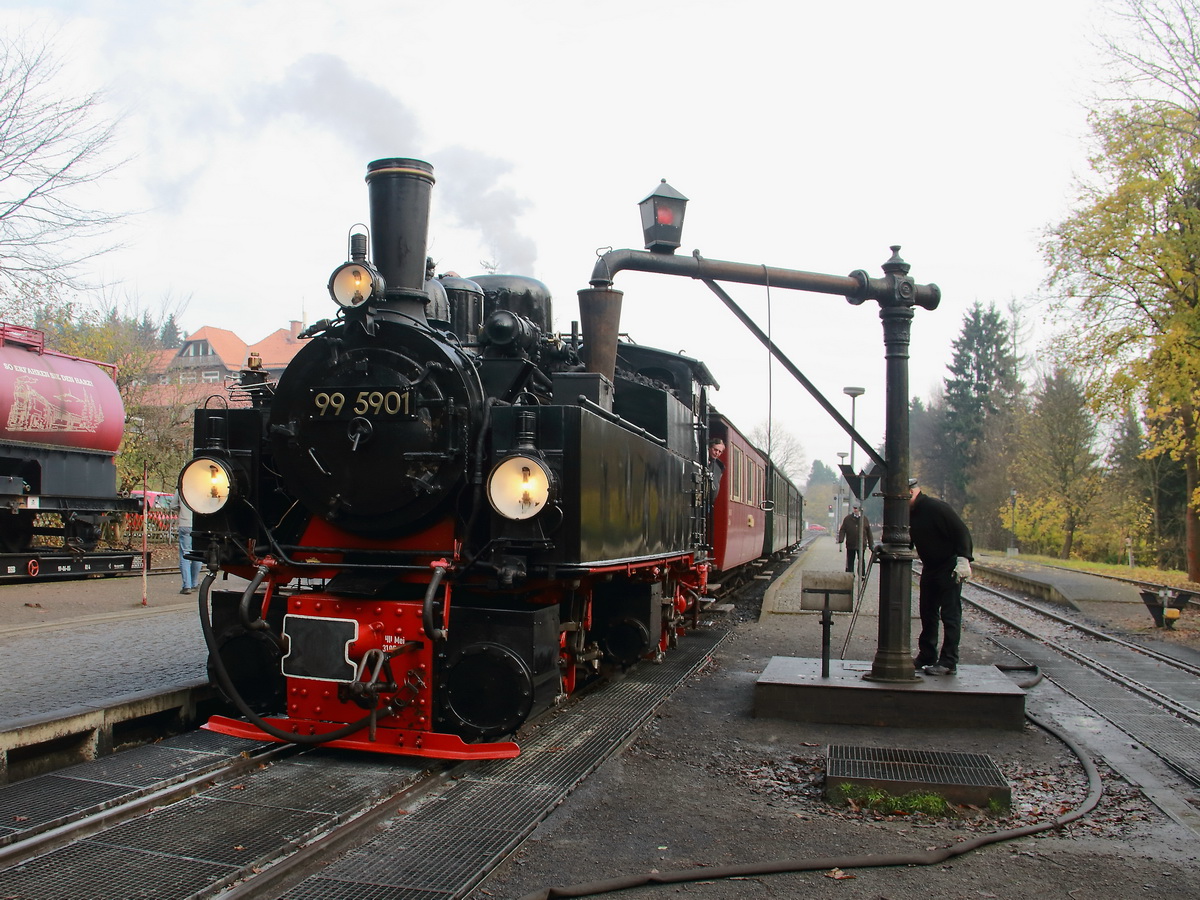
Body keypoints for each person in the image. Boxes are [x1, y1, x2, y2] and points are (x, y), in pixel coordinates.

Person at [908, 478, 973, 675]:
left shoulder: (936, 507)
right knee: (928, 612)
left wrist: (964, 559)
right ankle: (927, 654)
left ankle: (949, 660)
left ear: (910, 493)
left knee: (950, 615)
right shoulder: (911, 513)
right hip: (930, 567)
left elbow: (961, 531)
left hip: (948, 566)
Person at [175, 498, 202, 595]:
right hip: (198, 524)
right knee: (198, 554)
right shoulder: (201, 488)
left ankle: (187, 586)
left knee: (185, 555)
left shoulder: (181, 488)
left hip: (185, 523)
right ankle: (194, 583)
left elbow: (173, 505)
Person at [837, 504, 873, 574]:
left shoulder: (864, 519)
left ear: (860, 509)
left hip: (861, 544)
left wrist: (871, 544)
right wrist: (841, 539)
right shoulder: (847, 519)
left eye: (856, 508)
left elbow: (869, 532)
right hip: (851, 543)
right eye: (854, 508)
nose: (855, 510)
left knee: (861, 560)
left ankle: (862, 575)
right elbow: (843, 529)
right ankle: (849, 575)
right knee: (850, 560)